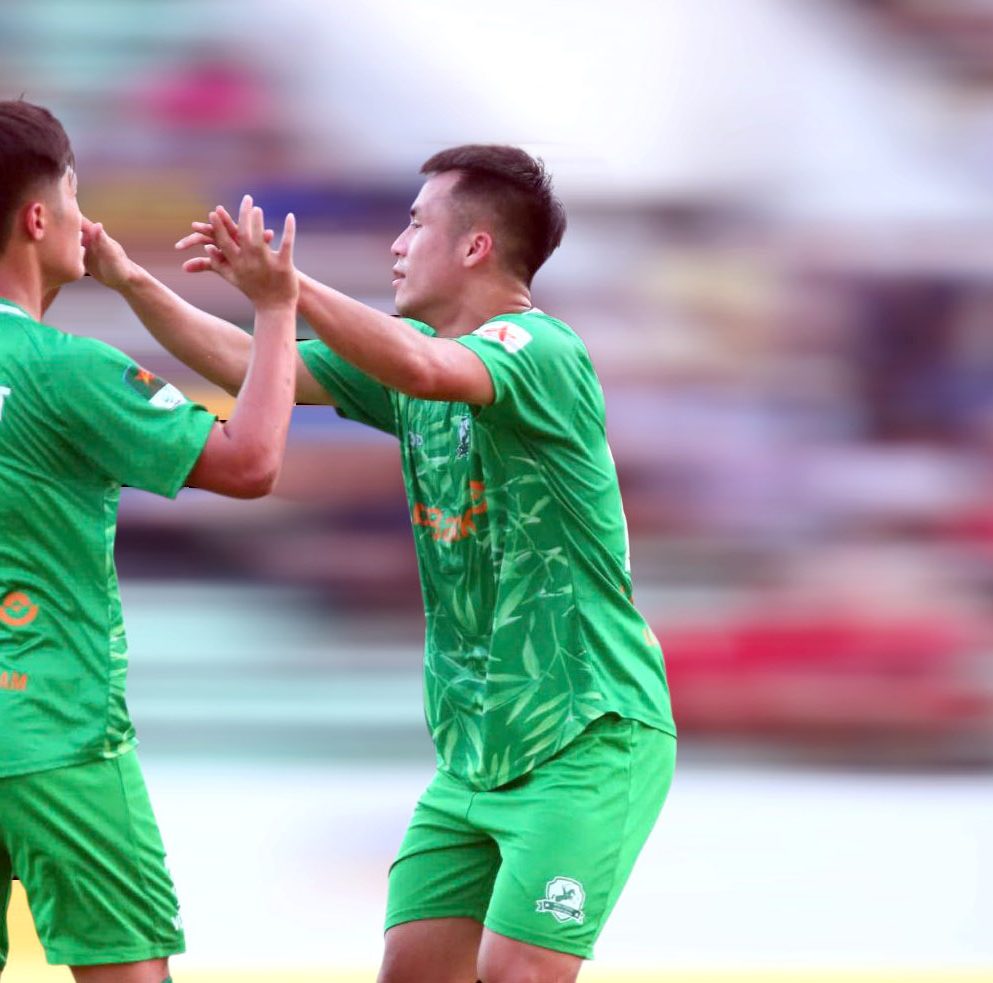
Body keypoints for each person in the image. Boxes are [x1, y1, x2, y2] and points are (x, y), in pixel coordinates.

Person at [105, 146, 677, 983]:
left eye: (416, 225)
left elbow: (423, 367)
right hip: (476, 747)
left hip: (584, 731)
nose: (397, 246)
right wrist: (128, 280)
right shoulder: (412, 354)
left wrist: (288, 286)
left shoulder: (538, 348)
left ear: (476, 246)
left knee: (518, 970)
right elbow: (249, 364)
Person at [0, 98, 299, 983]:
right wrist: (276, 306)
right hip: (50, 730)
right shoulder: (73, 371)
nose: (81, 216)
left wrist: (124, 281)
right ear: (37, 220)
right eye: (72, 196)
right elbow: (252, 462)